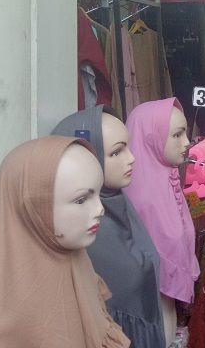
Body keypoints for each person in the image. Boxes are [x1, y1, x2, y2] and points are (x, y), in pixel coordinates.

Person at [0, 136, 130, 347]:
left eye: (98, 194)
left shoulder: (77, 259)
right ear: (32, 206)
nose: (100, 209)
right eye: (81, 200)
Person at [53, 107, 165, 347]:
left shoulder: (121, 206)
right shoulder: (82, 232)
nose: (131, 158)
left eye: (128, 146)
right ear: (87, 160)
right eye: (116, 152)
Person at [124, 98, 199, 346]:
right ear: (150, 140)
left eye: (185, 133)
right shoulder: (144, 201)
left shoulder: (166, 183)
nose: (187, 143)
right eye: (176, 135)